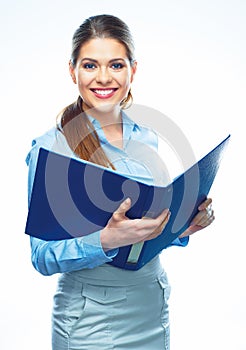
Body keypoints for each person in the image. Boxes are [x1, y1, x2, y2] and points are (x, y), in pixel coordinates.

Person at [26, 14, 215, 350]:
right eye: (89, 65)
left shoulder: (147, 138)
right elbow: (42, 256)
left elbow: (139, 239)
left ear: (133, 70)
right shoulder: (52, 147)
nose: (103, 78)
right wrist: (104, 240)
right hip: (89, 320)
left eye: (115, 65)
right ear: (72, 71)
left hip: (150, 307)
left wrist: (179, 228)